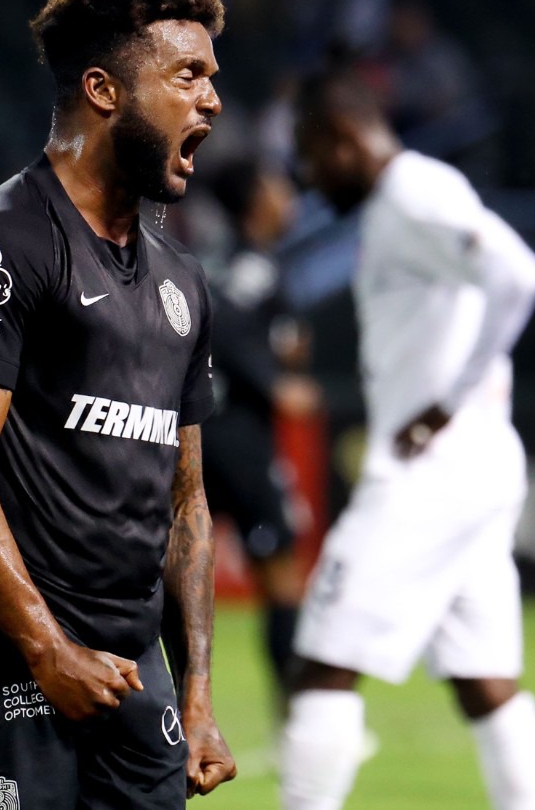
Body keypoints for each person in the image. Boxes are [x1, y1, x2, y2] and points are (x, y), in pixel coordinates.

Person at [0, 0, 237, 810]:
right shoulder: (1, 244)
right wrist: (47, 649)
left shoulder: (181, 282)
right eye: (186, 75)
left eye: (213, 78)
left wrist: (195, 695)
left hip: (130, 666)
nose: (212, 101)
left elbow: (186, 502)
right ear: (103, 90)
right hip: (3, 654)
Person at [280, 67, 535, 810]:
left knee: (323, 663)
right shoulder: (409, 198)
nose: (309, 179)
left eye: (309, 157)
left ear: (342, 138)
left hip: (428, 474)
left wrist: (446, 401)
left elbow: (520, 274)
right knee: (486, 683)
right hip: (479, 463)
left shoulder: (412, 192)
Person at [201, 158, 322, 709]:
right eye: (277, 185)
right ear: (255, 201)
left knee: (178, 568)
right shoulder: (251, 267)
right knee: (280, 574)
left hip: (209, 433)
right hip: (237, 437)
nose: (289, 196)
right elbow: (223, 324)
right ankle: (295, 712)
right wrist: (274, 381)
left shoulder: (253, 264)